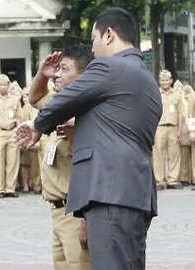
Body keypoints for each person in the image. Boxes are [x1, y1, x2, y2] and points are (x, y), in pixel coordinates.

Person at [14, 7, 160, 269]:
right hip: (132, 192)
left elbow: (66, 99)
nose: (92, 49)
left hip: (110, 192)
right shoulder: (143, 77)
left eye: (93, 39)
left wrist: (38, 125)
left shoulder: (111, 66)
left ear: (108, 34)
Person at [28, 44, 94, 269]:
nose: (57, 74)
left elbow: (95, 170)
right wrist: (41, 73)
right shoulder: (61, 104)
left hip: (77, 213)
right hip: (57, 212)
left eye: (64, 69)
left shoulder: (90, 112)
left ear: (84, 74)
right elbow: (35, 98)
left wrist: (87, 220)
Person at [0, 74, 23, 198]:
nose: (3, 87)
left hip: (12, 131)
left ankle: (10, 188)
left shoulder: (15, 100)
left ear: (9, 86)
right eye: (0, 85)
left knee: (13, 161)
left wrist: (19, 134)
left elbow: (18, 118)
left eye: (5, 85)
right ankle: (0, 189)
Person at [153, 70, 184, 190]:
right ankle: (159, 181)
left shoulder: (177, 94)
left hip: (174, 127)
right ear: (159, 81)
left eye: (167, 80)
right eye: (162, 80)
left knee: (175, 154)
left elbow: (181, 113)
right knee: (158, 154)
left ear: (171, 81)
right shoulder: (156, 94)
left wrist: (180, 130)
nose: (165, 82)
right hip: (159, 128)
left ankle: (173, 180)